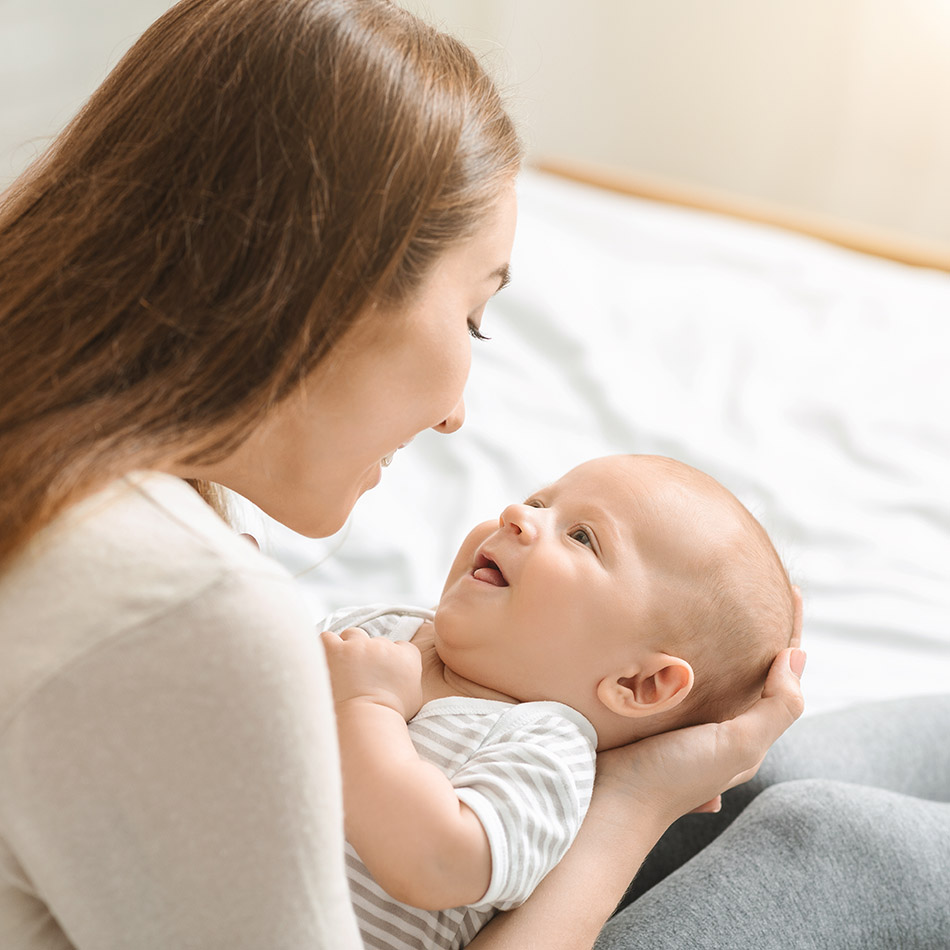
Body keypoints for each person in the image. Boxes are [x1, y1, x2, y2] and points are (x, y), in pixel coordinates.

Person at [24, 0, 940, 947]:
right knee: (835, 838)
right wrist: (634, 799)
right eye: (473, 318)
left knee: (783, 781)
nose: (456, 415)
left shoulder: (107, 506)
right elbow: (427, 858)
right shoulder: (183, 616)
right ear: (323, 290)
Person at [320, 454, 797, 950]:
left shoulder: (547, 752)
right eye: (538, 502)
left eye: (581, 536)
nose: (515, 515)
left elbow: (433, 863)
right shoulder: (379, 628)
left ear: (641, 684)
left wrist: (365, 704)